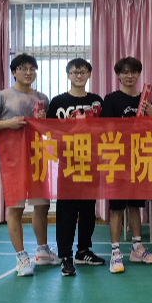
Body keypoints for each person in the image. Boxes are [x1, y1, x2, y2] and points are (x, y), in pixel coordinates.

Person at [0, 53, 59, 276]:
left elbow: (49, 129)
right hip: (12, 160)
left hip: (37, 157)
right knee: (16, 207)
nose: (28, 72)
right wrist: (8, 123)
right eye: (23, 68)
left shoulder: (42, 98)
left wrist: (44, 120)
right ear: (14, 72)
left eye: (32, 69)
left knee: (42, 205)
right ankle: (21, 257)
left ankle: (42, 251)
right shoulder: (3, 97)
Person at [47, 58, 105, 276]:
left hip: (91, 163)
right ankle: (65, 256)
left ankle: (83, 251)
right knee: (66, 212)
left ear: (89, 74)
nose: (79, 76)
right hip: (68, 164)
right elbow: (50, 131)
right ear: (68, 75)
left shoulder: (96, 101)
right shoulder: (57, 102)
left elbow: (106, 129)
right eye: (75, 72)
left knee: (88, 210)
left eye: (83, 72)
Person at [100, 57, 152, 274]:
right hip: (117, 160)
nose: (130, 76)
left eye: (133, 72)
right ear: (119, 75)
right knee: (116, 208)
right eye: (125, 72)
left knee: (135, 206)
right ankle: (115, 253)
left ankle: (137, 248)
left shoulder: (145, 100)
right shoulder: (111, 99)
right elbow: (105, 129)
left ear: (138, 74)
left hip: (139, 159)